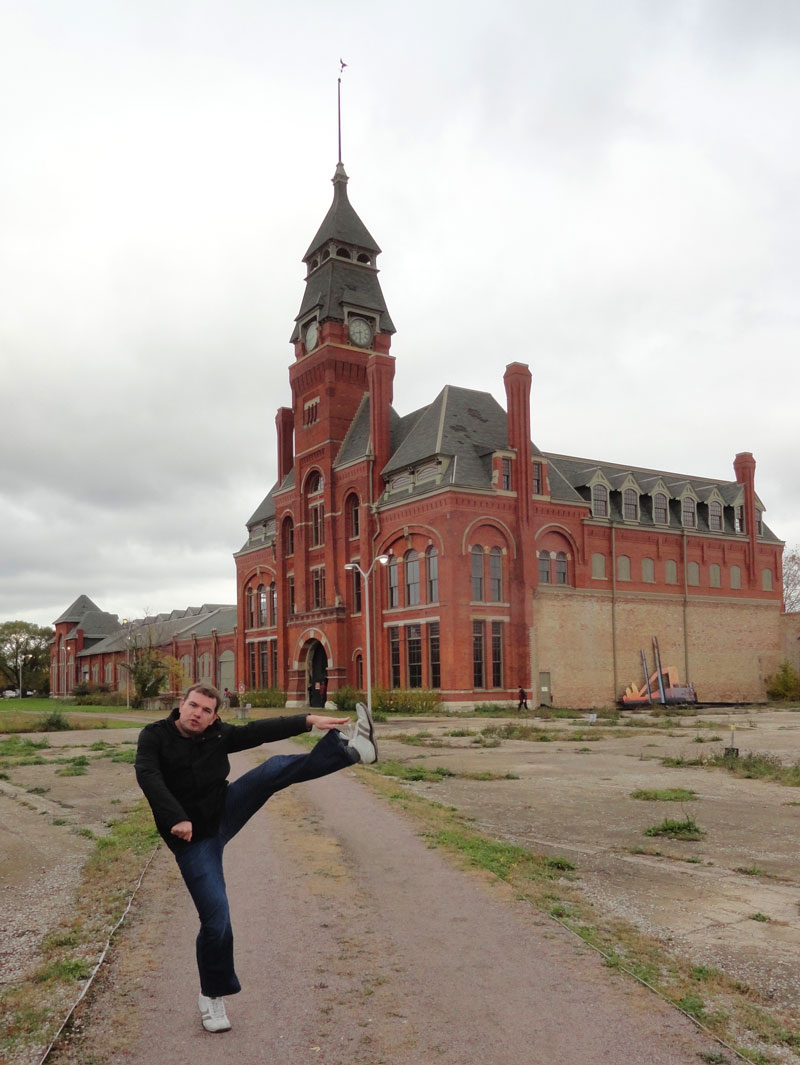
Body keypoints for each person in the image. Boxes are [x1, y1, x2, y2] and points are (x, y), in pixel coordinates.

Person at [135, 682, 378, 1033]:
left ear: (214, 717)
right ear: (181, 704)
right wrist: (176, 817)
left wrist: (308, 720)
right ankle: (212, 995)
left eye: (206, 710)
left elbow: (258, 731)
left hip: (224, 812)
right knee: (217, 919)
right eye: (193, 706)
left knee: (273, 769)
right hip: (193, 840)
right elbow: (148, 776)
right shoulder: (154, 736)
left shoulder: (218, 734)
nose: (197, 714)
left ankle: (352, 751)